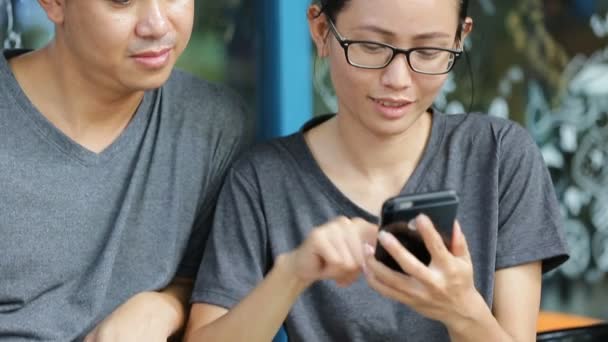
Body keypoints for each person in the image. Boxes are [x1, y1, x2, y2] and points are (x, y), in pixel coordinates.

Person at [185, 0, 569, 341]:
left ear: (458, 39)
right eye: (371, 46)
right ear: (321, 30)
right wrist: (290, 274)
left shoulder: (500, 156)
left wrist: (461, 309)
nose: (398, 80)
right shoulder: (262, 180)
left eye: (429, 50)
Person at [0, 0, 252, 340]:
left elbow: (209, 284)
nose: (158, 25)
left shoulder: (212, 127)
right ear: (54, 4)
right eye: (121, 1)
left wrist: (166, 307)